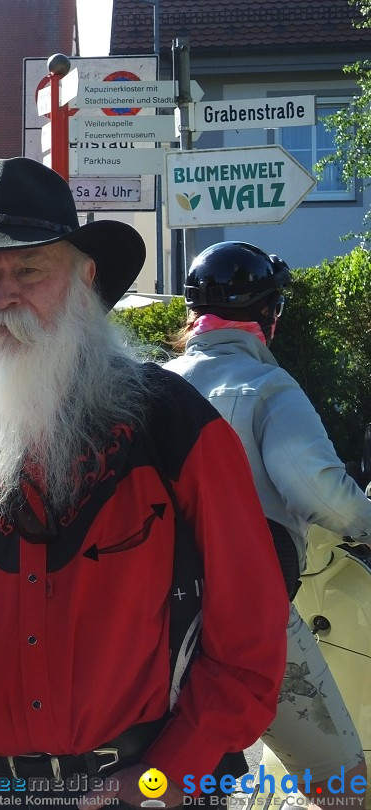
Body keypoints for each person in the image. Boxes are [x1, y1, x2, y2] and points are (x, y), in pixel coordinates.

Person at [0, 158, 289, 809]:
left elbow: (251, 637)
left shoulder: (175, 427)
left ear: (83, 279)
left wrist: (164, 777)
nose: (2, 296)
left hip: (150, 787)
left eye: (29, 271)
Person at [165, 241, 369, 808]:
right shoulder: (268, 388)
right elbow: (321, 493)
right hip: (245, 615)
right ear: (268, 316)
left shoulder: (151, 386)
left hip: (147, 618)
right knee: (343, 780)